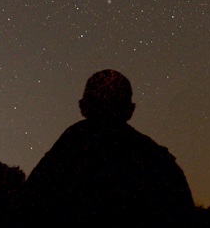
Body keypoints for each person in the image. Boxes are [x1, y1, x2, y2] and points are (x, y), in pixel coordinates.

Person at [28, 69, 194, 219]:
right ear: (130, 110)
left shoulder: (65, 153)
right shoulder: (158, 160)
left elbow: (29, 205)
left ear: (83, 106)